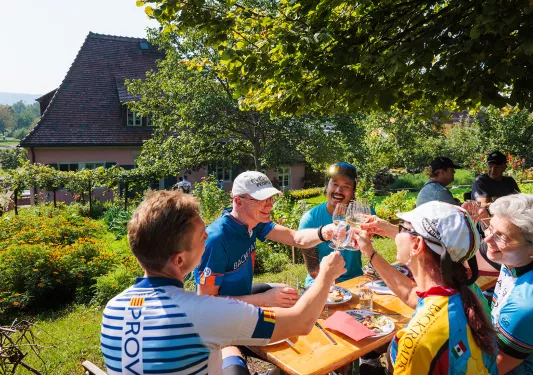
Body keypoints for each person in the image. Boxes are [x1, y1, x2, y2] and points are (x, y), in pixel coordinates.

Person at [100, 190, 346, 375]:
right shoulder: (205, 313)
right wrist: (326, 276)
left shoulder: (112, 308)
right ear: (179, 260)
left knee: (226, 350)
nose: (208, 237)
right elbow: (300, 323)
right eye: (201, 237)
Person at [353, 202, 498, 374]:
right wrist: (370, 253)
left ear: (416, 245)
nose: (398, 232)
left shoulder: (416, 341)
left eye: (403, 227)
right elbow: (412, 295)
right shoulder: (469, 293)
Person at [194, 170, 336, 307]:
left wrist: (324, 232)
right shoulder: (216, 239)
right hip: (222, 318)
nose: (270, 205)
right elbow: (206, 302)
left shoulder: (254, 223)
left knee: (288, 293)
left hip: (242, 295)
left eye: (270, 198)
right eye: (261, 199)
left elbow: (295, 238)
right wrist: (263, 300)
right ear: (238, 202)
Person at [473, 193, 533, 375]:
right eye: (489, 228)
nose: (487, 239)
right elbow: (464, 261)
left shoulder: (525, 305)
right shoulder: (515, 259)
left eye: (502, 237)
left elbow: (493, 368)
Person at [299, 162, 363, 287]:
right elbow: (313, 270)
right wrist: (343, 288)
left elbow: (369, 250)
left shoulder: (362, 216)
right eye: (334, 184)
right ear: (327, 186)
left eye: (346, 186)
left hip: (356, 282)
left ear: (353, 191)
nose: (338, 191)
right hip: (321, 284)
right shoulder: (310, 219)